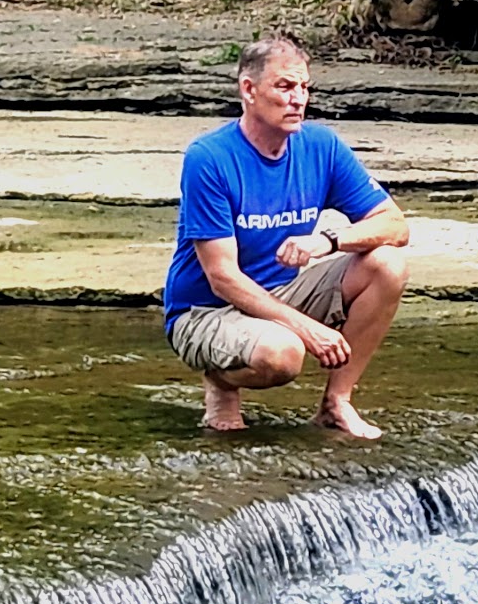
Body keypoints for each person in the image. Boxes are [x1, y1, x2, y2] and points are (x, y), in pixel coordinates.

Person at [163, 32, 409, 438]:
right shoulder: (209, 158)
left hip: (281, 291)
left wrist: (328, 241)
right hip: (204, 311)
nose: (298, 98)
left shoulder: (320, 146)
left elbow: (395, 226)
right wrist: (307, 328)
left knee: (388, 264)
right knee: (285, 354)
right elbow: (222, 277)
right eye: (284, 86)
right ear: (249, 90)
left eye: (304, 87)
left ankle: (337, 402)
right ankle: (222, 381)